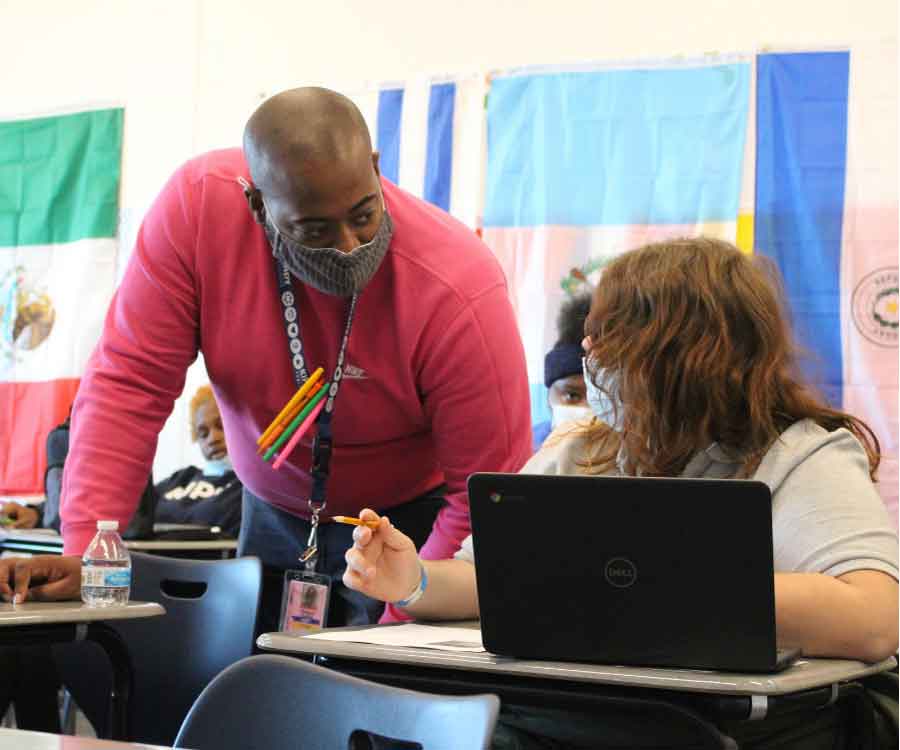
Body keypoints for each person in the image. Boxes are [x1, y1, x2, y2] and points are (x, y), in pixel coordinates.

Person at [344, 238, 899, 748]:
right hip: (582, 715)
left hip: (716, 728)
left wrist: (653, 589)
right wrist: (412, 578)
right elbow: (488, 579)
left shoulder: (799, 456)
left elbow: (874, 618)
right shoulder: (584, 448)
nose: (588, 350)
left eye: (609, 333)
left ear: (685, 355)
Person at [60, 87, 531, 631]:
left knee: (378, 698)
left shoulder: (457, 284)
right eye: (314, 230)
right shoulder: (196, 211)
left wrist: (403, 624)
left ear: (376, 169)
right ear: (258, 205)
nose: (350, 246)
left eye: (363, 214)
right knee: (260, 693)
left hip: (414, 533)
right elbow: (127, 385)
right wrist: (90, 555)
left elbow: (487, 492)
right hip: (270, 515)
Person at [154, 385, 242, 538]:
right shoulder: (181, 478)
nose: (212, 439)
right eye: (203, 433)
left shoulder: (247, 487)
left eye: (221, 426)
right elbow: (140, 517)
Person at [531, 293, 592, 451]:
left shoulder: (628, 461)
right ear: (548, 396)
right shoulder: (528, 450)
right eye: (572, 395)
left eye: (597, 399)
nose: (587, 410)